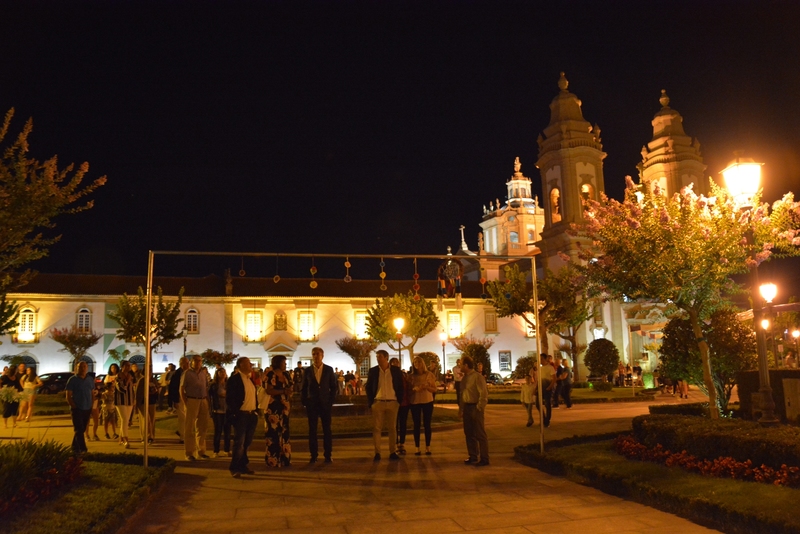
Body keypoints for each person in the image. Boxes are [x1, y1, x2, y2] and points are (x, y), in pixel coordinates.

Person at [366, 349, 405, 462]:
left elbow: (400, 386)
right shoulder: (373, 371)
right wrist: (371, 401)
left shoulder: (395, 371)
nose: (378, 359)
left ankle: (392, 451)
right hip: (378, 402)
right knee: (377, 428)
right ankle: (377, 452)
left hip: (392, 402)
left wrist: (399, 400)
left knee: (392, 428)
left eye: (380, 357)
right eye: (377, 357)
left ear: (386, 358)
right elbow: (369, 387)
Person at [301, 347, 337, 463]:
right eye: (314, 354)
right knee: (312, 430)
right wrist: (305, 402)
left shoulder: (328, 370)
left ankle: (328, 454)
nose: (316, 356)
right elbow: (304, 388)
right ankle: (313, 455)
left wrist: (330, 401)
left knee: (327, 430)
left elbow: (334, 387)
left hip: (325, 404)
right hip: (312, 404)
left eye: (318, 354)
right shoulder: (307, 371)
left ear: (322, 355)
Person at [227, 357, 258, 477]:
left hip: (251, 414)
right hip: (241, 415)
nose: (251, 365)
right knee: (239, 442)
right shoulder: (234, 380)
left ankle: (243, 465)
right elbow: (230, 398)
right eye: (248, 363)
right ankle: (234, 467)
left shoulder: (250, 380)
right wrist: (235, 412)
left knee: (247, 442)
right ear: (241, 365)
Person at [459, 355, 489, 466]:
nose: (459, 366)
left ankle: (484, 458)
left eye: (461, 364)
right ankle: (473, 456)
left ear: (466, 365)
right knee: (469, 433)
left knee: (480, 433)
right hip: (467, 407)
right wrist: (461, 408)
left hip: (475, 407)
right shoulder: (464, 378)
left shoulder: (477, 377)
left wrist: (479, 407)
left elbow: (483, 394)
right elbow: (462, 394)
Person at [263, 355, 292, 467]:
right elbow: (269, 390)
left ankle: (285, 458)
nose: (285, 364)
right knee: (273, 433)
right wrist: (283, 391)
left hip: (284, 407)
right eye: (284, 362)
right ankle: (273, 459)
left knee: (284, 431)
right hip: (273, 407)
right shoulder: (270, 374)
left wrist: (288, 392)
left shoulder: (286, 374)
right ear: (278, 363)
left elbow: (291, 387)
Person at [181, 354, 210, 461]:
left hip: (203, 400)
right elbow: (182, 389)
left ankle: (201, 451)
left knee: (202, 427)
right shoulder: (187, 373)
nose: (198, 362)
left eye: (200, 361)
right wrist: (186, 403)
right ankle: (189, 452)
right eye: (196, 361)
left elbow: (206, 388)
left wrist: (207, 401)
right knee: (189, 427)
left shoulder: (203, 374)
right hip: (192, 400)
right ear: (191, 362)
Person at [65, 361, 95, 454]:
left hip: (87, 407)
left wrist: (91, 404)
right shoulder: (72, 380)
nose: (82, 368)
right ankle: (83, 449)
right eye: (80, 367)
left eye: (84, 366)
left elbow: (92, 392)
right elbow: (68, 395)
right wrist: (73, 406)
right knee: (78, 429)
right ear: (76, 368)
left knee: (81, 429)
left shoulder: (90, 379)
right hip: (77, 408)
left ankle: (74, 448)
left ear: (87, 368)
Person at [409, 356, 436, 455]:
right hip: (415, 402)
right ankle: (417, 447)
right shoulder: (411, 377)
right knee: (416, 425)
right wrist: (414, 389)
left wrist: (427, 387)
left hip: (427, 401)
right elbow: (408, 390)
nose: (417, 364)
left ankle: (428, 447)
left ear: (422, 363)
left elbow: (434, 389)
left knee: (427, 424)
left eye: (419, 362)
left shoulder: (429, 375)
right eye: (415, 362)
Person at [209, 367, 231, 457]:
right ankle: (216, 451)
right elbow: (211, 396)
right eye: (220, 372)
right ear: (217, 374)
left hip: (227, 410)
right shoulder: (214, 385)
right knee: (218, 431)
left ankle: (227, 449)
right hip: (217, 410)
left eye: (224, 372)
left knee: (227, 432)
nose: (222, 374)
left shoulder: (228, 384)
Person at [114, 360, 136, 448]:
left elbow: (132, 388)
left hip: (129, 400)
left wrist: (134, 399)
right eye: (126, 365)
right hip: (121, 401)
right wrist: (127, 380)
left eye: (129, 365)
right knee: (124, 419)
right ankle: (125, 438)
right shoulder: (118, 376)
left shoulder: (130, 376)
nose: (128, 367)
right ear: (122, 367)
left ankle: (120, 437)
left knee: (126, 420)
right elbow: (122, 389)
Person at [136, 364, 158, 444]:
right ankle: (145, 436)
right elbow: (138, 392)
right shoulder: (142, 380)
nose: (150, 371)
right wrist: (137, 404)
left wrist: (155, 391)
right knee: (146, 420)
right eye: (148, 369)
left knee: (152, 419)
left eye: (151, 369)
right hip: (143, 402)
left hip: (152, 401)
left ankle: (152, 436)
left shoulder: (153, 380)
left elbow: (157, 389)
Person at [393, 357, 411, 455]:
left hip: (404, 402)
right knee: (394, 424)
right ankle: (395, 443)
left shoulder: (404, 375)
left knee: (403, 424)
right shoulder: (390, 375)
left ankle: (402, 443)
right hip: (394, 402)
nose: (396, 364)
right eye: (393, 362)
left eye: (397, 362)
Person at [170, 357, 189, 443]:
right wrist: (174, 401)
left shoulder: (188, 372)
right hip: (180, 398)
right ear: (182, 364)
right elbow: (173, 388)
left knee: (187, 418)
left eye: (188, 363)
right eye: (186, 363)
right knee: (182, 418)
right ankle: (182, 437)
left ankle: (183, 432)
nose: (188, 365)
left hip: (188, 398)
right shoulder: (177, 374)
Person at [538, 353, 556, 428]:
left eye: (541, 359)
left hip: (547, 387)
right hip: (540, 387)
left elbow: (554, 378)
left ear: (545, 359)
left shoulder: (550, 367)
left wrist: (550, 387)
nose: (540, 360)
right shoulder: (540, 368)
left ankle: (547, 420)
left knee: (547, 404)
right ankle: (544, 418)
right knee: (538, 404)